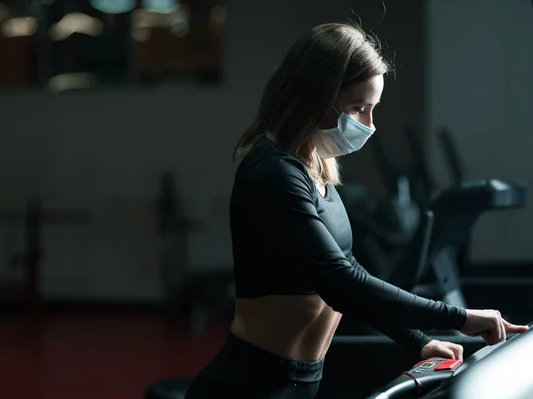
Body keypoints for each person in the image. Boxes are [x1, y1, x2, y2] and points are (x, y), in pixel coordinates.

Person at [184, 23, 529, 399]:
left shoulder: (314, 167)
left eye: (371, 109)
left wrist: (418, 341)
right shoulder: (271, 172)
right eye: (357, 108)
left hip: (299, 380)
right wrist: (459, 318)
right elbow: (341, 283)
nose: (367, 124)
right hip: (251, 384)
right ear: (315, 97)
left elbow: (351, 269)